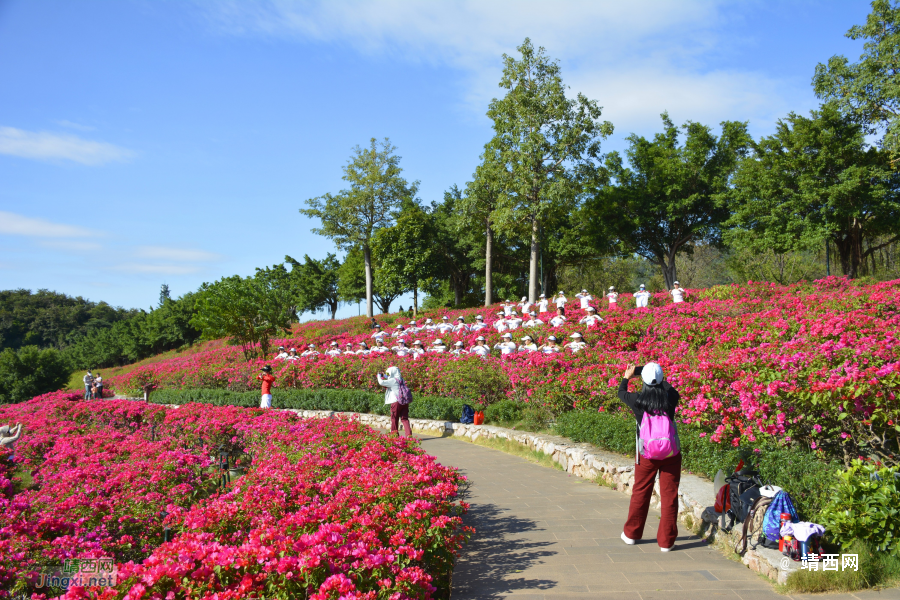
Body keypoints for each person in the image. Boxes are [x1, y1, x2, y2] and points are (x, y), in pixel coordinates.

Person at [618, 362, 681, 552]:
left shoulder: (637, 400)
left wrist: (628, 377)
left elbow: (621, 393)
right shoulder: (671, 397)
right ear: (661, 380)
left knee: (641, 491)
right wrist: (658, 377)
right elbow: (668, 387)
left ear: (643, 380)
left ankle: (631, 534)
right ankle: (666, 542)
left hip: (647, 454)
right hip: (671, 453)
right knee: (670, 496)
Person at [378, 366, 411, 437]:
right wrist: (385, 376)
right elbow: (390, 379)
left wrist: (379, 376)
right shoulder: (402, 379)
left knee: (394, 418)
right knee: (404, 419)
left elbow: (381, 382)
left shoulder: (393, 380)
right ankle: (409, 435)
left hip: (396, 402)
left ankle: (394, 435)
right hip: (404, 402)